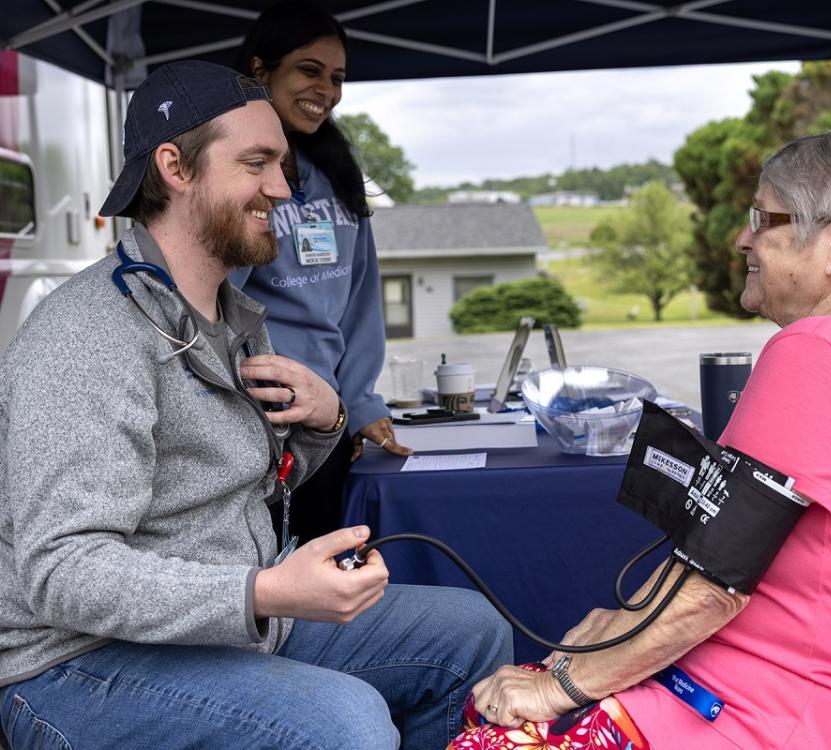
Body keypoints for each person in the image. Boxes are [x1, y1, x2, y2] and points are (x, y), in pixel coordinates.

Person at [0, 60, 511, 750]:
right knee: (347, 724)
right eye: (258, 163)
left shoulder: (234, 318)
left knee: (473, 633)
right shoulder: (88, 333)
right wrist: (264, 592)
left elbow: (247, 481)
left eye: (283, 165)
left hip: (225, 617)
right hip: (77, 660)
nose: (282, 188)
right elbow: (64, 572)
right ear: (175, 167)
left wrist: (326, 420)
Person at [450, 130, 831, 749]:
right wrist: (620, 630)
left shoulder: (820, 353)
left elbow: (712, 586)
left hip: (784, 710)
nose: (743, 238)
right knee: (509, 695)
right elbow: (718, 550)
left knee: (498, 730)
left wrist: (565, 687)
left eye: (765, 217)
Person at [231, 0, 409, 545]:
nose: (326, 90)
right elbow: (209, 300)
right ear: (260, 70)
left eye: (337, 78)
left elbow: (360, 302)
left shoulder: (335, 172)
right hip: (253, 422)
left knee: (324, 572)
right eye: (310, 70)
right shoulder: (233, 171)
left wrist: (359, 404)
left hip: (324, 422)